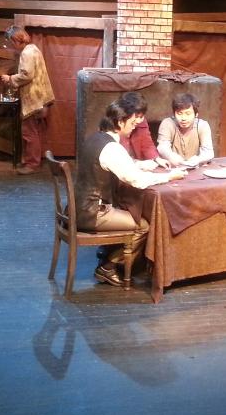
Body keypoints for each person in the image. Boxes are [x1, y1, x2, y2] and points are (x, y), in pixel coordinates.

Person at [77, 100, 185, 287]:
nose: (134, 127)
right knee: (143, 226)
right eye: (132, 123)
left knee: (129, 211)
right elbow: (138, 180)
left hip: (79, 206)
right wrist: (169, 176)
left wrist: (146, 164)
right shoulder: (112, 148)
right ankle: (108, 266)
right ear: (120, 122)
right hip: (93, 213)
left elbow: (119, 165)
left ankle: (109, 256)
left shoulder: (96, 138)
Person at [1, 25, 55, 175]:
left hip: (34, 98)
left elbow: (27, 75)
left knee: (29, 132)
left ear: (16, 40)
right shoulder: (34, 49)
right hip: (40, 97)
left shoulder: (27, 53)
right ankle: (33, 161)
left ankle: (32, 164)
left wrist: (10, 79)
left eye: (11, 42)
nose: (11, 45)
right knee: (34, 132)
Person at [156, 93, 214, 167]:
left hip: (194, 167)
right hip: (172, 167)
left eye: (188, 113)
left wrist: (198, 159)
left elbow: (209, 152)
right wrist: (171, 156)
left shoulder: (202, 125)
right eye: (179, 113)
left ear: (196, 114)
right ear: (174, 114)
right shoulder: (167, 123)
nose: (183, 118)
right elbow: (162, 147)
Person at [118, 92, 169, 171]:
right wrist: (138, 164)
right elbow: (118, 158)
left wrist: (156, 158)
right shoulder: (116, 126)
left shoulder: (142, 123)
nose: (138, 120)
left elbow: (147, 144)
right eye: (136, 117)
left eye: (141, 117)